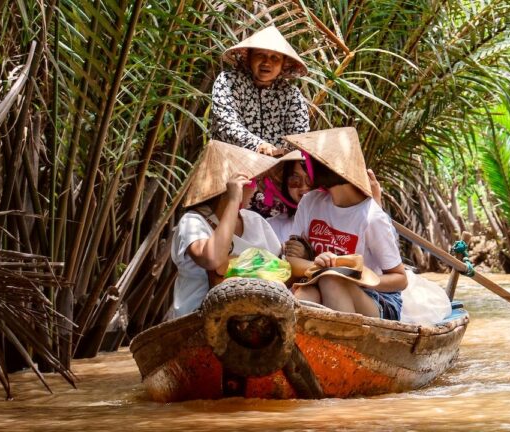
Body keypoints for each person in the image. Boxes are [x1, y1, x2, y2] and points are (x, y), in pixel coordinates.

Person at [283, 127, 407, 320]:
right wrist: (318, 265)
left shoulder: (371, 217)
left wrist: (356, 276)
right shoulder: (310, 202)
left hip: (377, 299)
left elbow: (400, 279)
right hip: (320, 283)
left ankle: (344, 346)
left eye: (309, 162)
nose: (306, 167)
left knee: (331, 280)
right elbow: (291, 259)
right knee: (307, 293)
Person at [169, 140, 281, 319]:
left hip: (257, 317)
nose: (255, 190)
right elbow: (212, 259)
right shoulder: (193, 221)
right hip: (199, 319)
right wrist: (232, 200)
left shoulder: (254, 220)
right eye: (251, 183)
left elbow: (279, 267)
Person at [211, 25, 309, 157]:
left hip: (274, 169)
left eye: (275, 58)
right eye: (260, 55)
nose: (266, 63)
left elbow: (300, 138)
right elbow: (224, 123)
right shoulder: (229, 81)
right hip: (230, 163)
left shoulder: (291, 95)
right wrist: (258, 146)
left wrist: (289, 159)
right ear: (249, 58)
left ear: (283, 64)